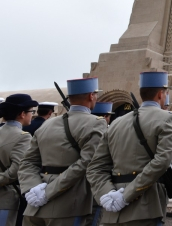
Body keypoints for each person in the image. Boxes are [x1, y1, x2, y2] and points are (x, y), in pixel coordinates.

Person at [86, 71, 172, 226]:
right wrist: (126, 196)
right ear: (161, 94)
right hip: (145, 207)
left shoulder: (116, 123)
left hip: (112, 209)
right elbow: (162, 162)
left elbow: (95, 167)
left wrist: (108, 194)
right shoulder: (167, 118)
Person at [19, 77, 107, 226]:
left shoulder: (48, 124)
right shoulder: (96, 123)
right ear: (91, 95)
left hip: (35, 206)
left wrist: (33, 188)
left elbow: (27, 162)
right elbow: (87, 162)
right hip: (69, 205)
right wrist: (48, 192)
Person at [0, 94, 37, 226]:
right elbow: (17, 170)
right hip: (7, 198)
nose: (32, 115)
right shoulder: (23, 137)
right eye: (31, 111)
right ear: (22, 114)